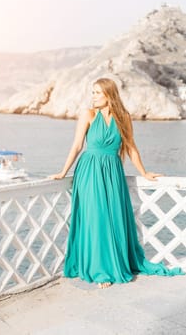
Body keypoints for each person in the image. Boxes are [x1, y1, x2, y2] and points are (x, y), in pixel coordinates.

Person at [49, 78, 185, 289]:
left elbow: (131, 148)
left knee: (112, 218)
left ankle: (111, 264)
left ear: (109, 95)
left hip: (113, 173)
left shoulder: (124, 118)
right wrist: (62, 171)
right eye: (92, 92)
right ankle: (100, 270)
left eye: (97, 93)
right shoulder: (88, 114)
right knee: (95, 218)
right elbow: (77, 146)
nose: (93, 96)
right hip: (89, 171)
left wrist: (144, 172)